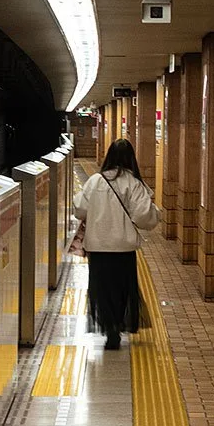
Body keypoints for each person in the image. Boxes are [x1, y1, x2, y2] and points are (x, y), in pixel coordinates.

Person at [72, 138, 160, 350]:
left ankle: (108, 325)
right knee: (122, 287)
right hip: (123, 247)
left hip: (98, 247)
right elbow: (143, 217)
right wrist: (157, 215)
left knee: (101, 288)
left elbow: (80, 209)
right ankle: (119, 323)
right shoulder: (133, 183)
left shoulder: (95, 181)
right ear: (131, 158)